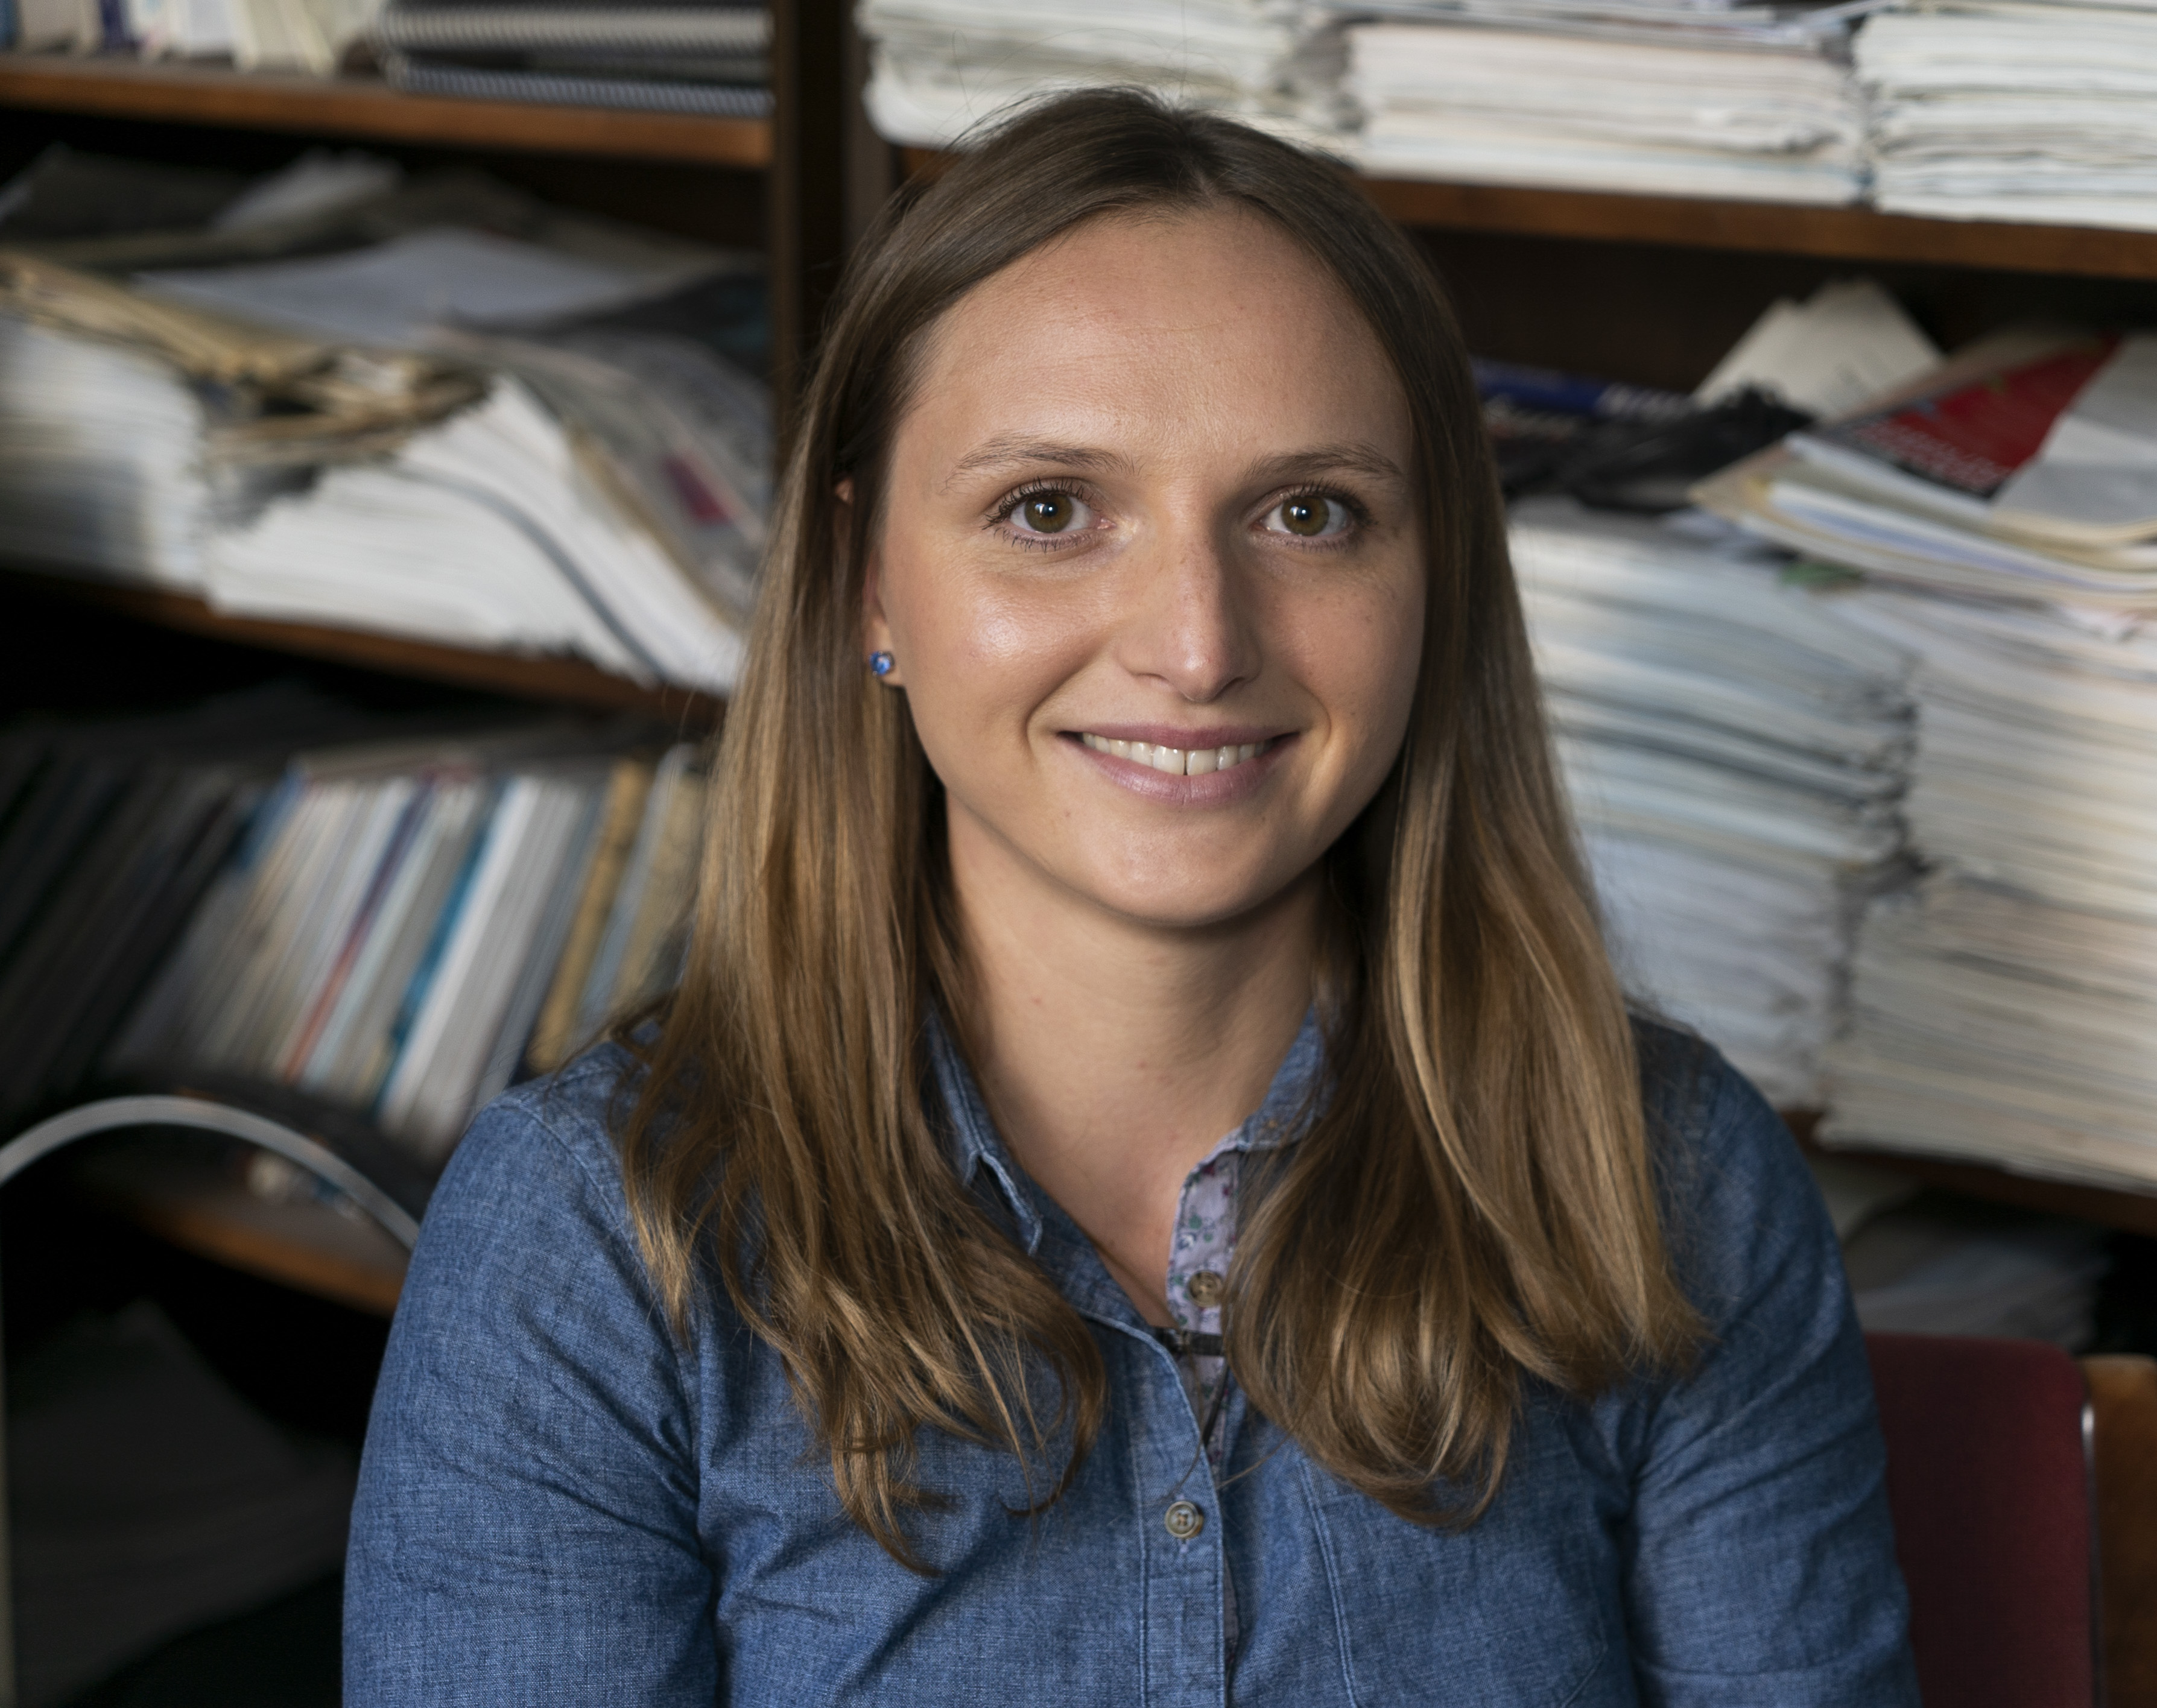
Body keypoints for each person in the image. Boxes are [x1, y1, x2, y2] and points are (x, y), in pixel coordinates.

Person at [344, 89, 1918, 1706]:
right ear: (870, 581)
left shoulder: (1668, 1175)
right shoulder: (591, 1239)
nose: (1198, 644)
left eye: (1309, 514)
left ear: (1434, 576)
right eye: (1049, 510)